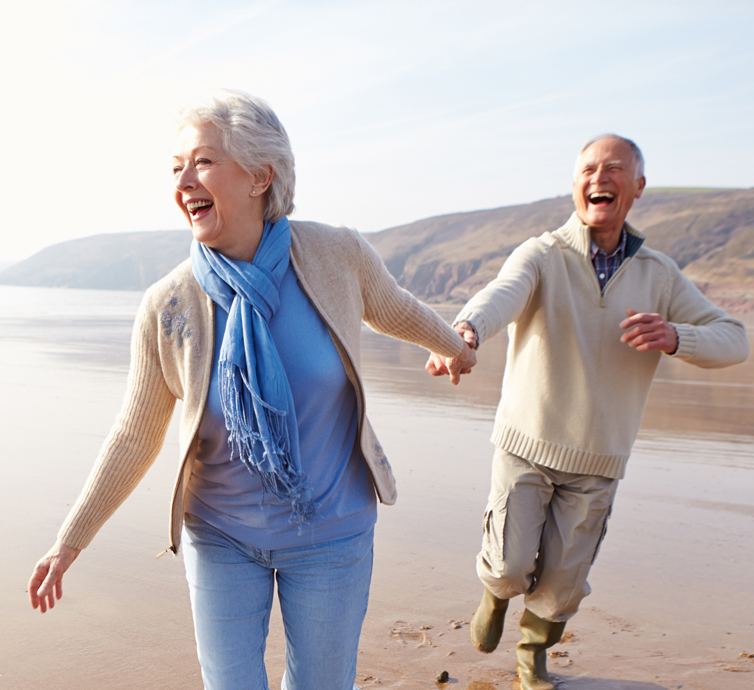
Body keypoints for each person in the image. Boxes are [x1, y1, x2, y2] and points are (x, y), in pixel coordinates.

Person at [27, 90, 477, 690]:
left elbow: (395, 309)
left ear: (261, 176)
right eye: (176, 167)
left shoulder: (334, 253)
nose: (184, 179)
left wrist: (454, 345)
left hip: (332, 531)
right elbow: (134, 436)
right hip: (220, 534)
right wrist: (69, 541)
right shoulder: (170, 303)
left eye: (203, 161)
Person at [426, 134, 749, 690]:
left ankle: (533, 656)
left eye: (614, 169)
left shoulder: (660, 274)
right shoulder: (542, 253)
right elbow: (500, 294)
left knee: (564, 578)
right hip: (526, 442)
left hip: (600, 456)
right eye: (589, 169)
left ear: (638, 187)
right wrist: (465, 331)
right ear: (575, 184)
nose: (599, 177)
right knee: (508, 564)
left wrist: (676, 336)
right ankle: (495, 595)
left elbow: (735, 339)